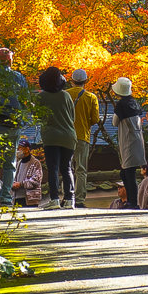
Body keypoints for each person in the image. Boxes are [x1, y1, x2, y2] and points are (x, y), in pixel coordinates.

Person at [0, 47, 29, 207]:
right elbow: (25, 101)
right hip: (13, 125)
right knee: (10, 162)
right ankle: (6, 197)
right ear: (11, 61)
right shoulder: (18, 78)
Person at [37, 65, 77, 209]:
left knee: (53, 168)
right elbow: (73, 116)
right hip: (69, 135)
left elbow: (37, 116)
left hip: (51, 136)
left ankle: (54, 199)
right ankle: (69, 199)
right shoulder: (66, 95)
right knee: (67, 168)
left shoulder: (40, 97)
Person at [65, 68, 100, 209]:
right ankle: (79, 199)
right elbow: (95, 119)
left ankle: (67, 196)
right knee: (81, 169)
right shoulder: (91, 97)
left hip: (66, 136)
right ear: (86, 81)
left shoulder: (65, 95)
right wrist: (85, 122)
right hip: (82, 136)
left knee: (66, 167)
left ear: (72, 81)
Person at [111, 76, 146, 209]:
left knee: (128, 172)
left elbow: (114, 122)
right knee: (126, 172)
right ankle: (132, 201)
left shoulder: (121, 105)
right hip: (137, 139)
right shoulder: (134, 103)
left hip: (128, 141)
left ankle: (133, 202)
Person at [12, 138, 43, 208]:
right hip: (17, 198)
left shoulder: (35, 163)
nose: (18, 150)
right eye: (18, 148)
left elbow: (36, 181)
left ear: (27, 149)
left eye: (20, 148)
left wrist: (20, 184)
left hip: (30, 199)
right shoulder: (18, 163)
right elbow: (14, 177)